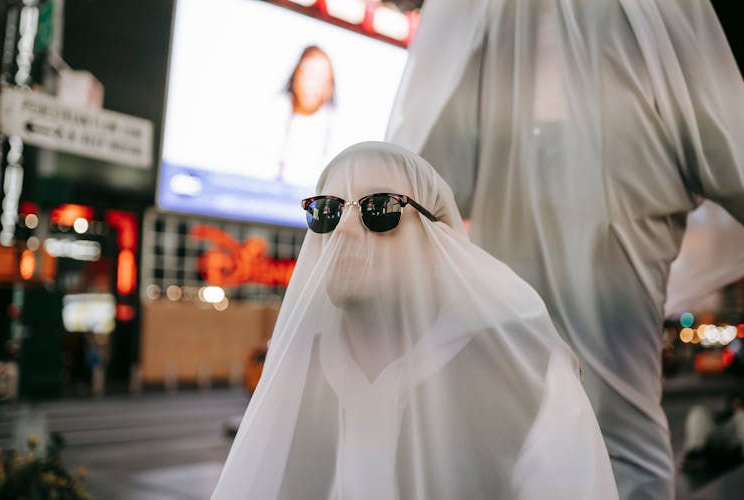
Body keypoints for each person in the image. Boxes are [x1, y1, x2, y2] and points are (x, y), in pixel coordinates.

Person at [386, 2, 744, 499]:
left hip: (603, 180)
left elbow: (441, 106)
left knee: (596, 406)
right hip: (569, 177)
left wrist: (405, 184)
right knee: (549, 403)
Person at [211, 141, 618, 500]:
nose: (346, 231)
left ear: (435, 238)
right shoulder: (296, 373)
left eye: (379, 208)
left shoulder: (528, 373)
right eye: (328, 212)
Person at [263, 45, 337, 187]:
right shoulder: (273, 111)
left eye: (322, 78)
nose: (314, 84)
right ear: (297, 74)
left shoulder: (333, 127)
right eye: (309, 73)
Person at [682, 391, 744, 473]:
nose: (736, 406)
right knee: (698, 411)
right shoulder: (725, 416)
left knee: (741, 415)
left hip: (736, 447)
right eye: (734, 403)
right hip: (715, 444)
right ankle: (695, 453)